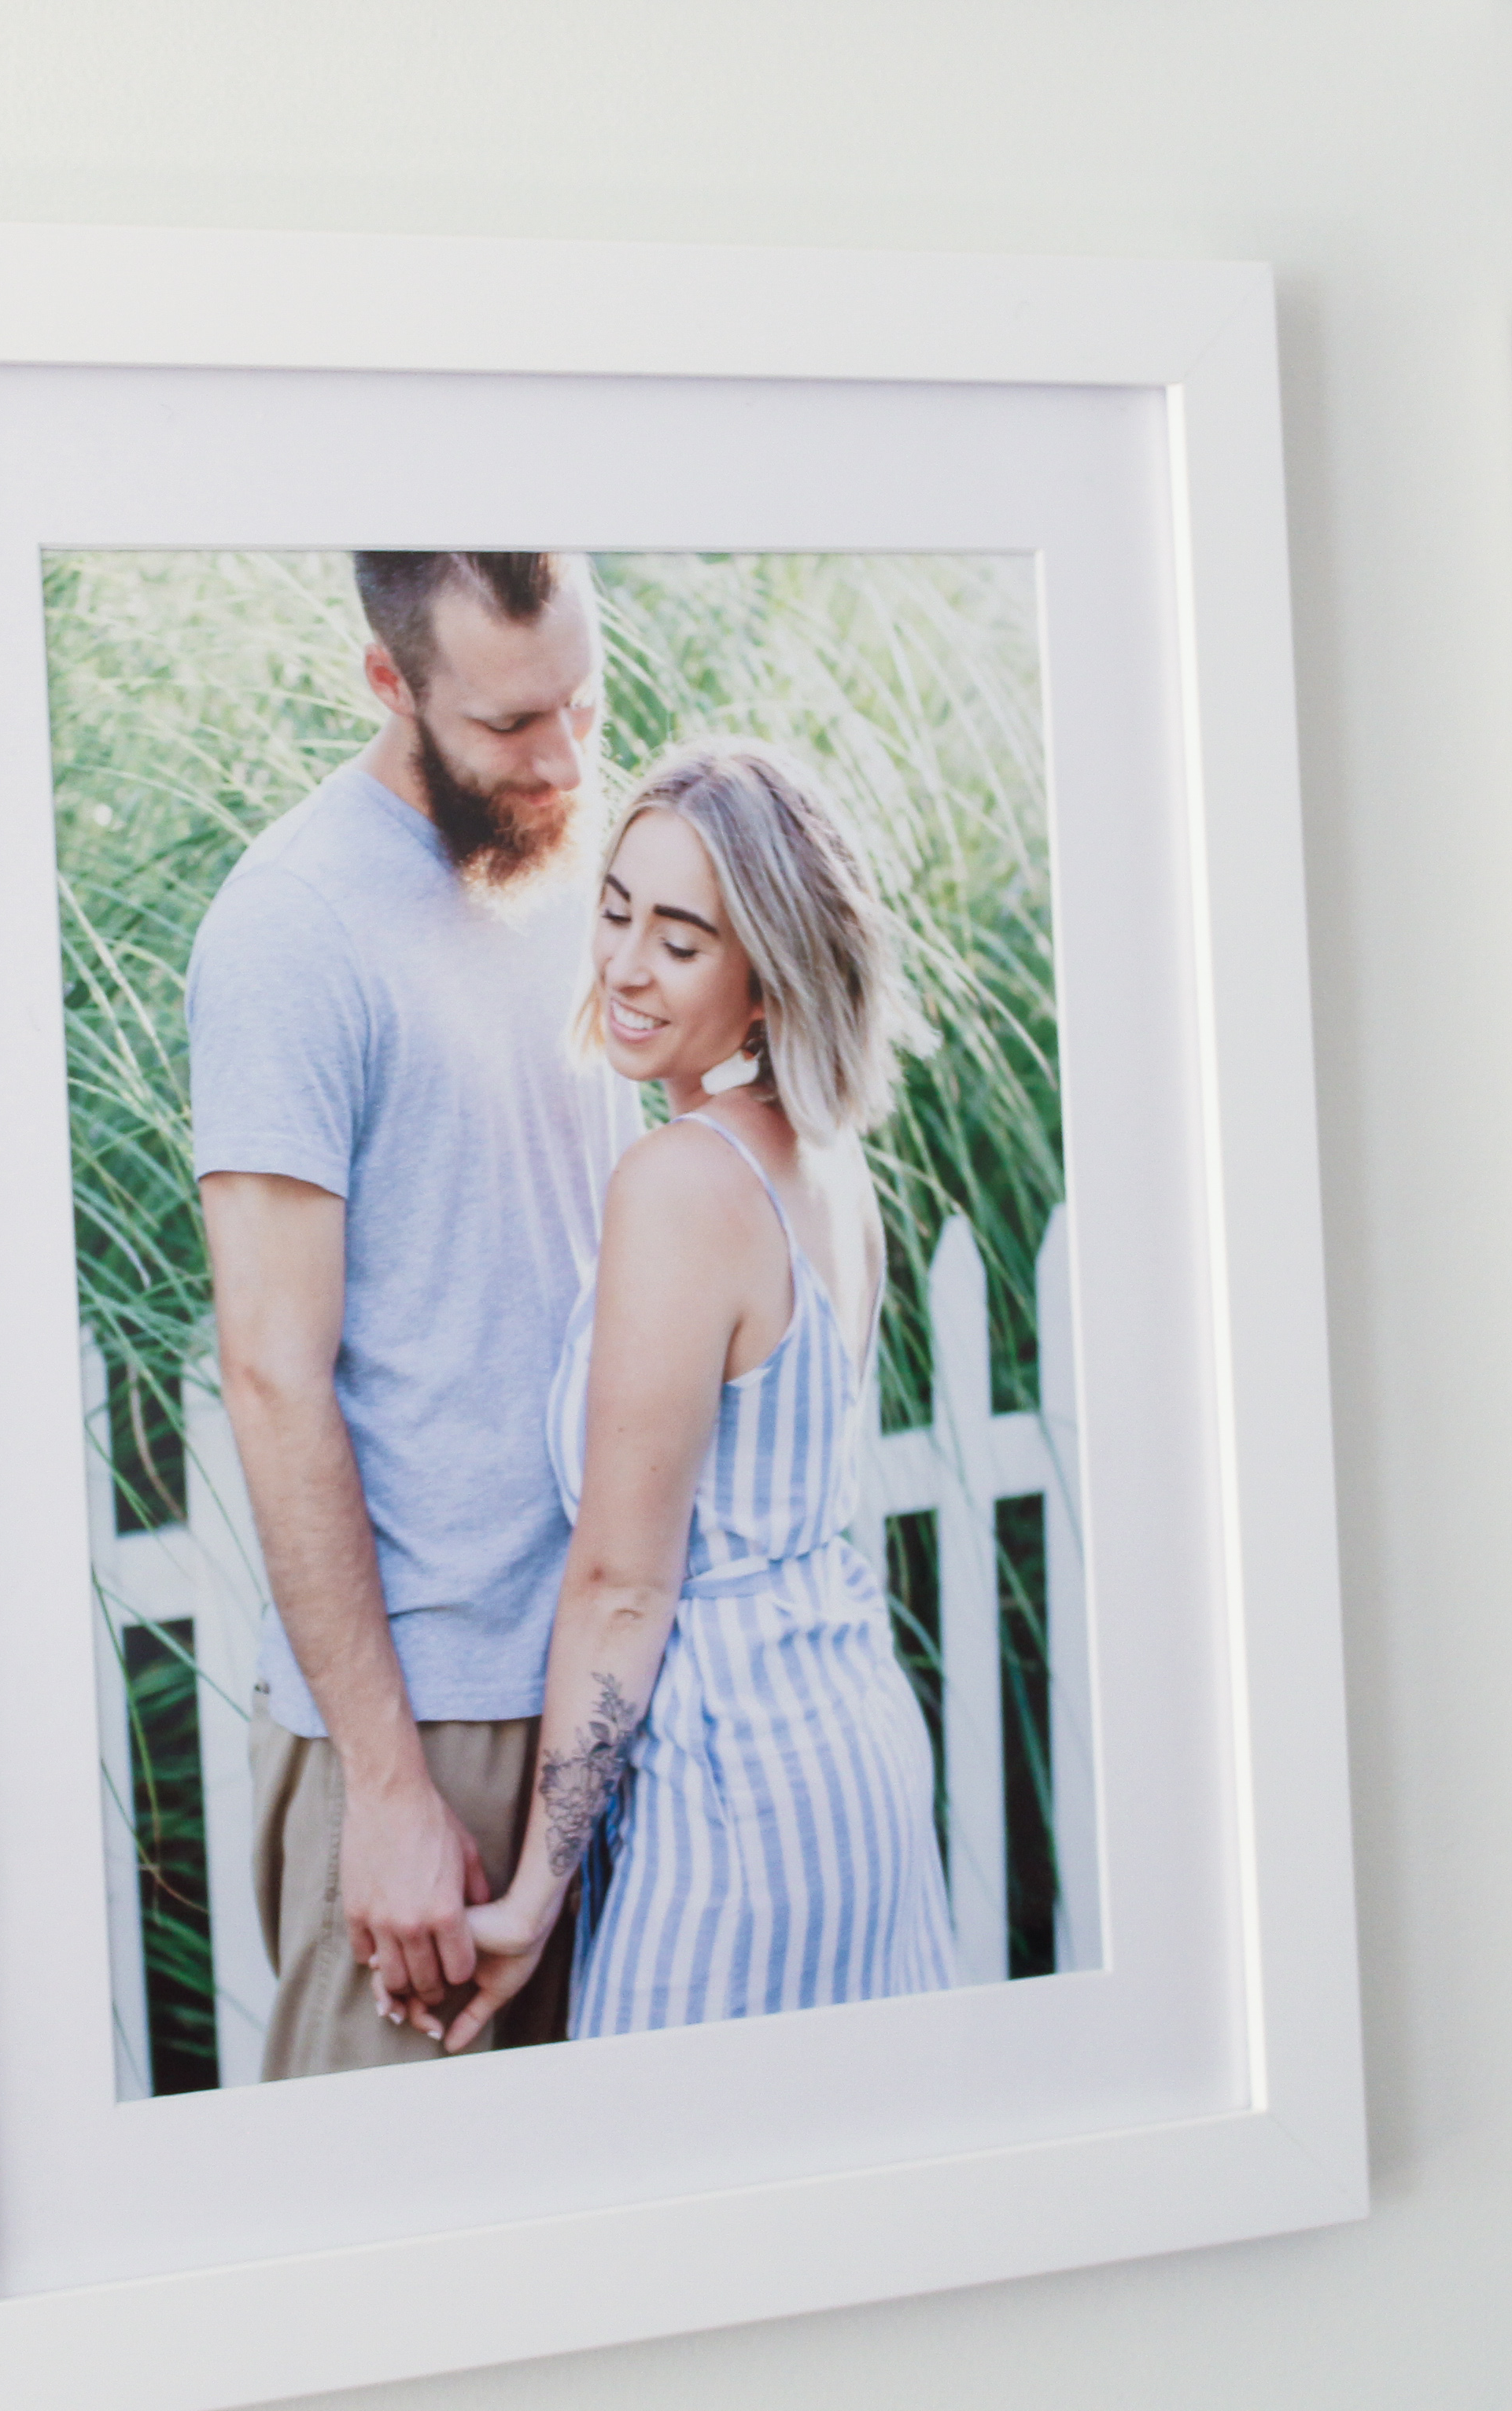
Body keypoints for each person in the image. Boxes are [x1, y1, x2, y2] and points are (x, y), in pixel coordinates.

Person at [437, 740, 953, 2050]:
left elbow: (622, 1582)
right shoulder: (829, 1167)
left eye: (679, 940)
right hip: (856, 1752)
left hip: (734, 1801)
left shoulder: (678, 1186)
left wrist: (536, 1894)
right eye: (613, 911)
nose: (619, 964)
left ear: (765, 980)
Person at [192, 552, 631, 2077]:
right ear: (390, 686)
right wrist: (384, 1787)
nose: (564, 758)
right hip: (431, 1724)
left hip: (614, 1690)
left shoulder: (596, 867)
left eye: (583, 698)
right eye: (513, 725)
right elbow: (270, 1373)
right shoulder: (293, 928)